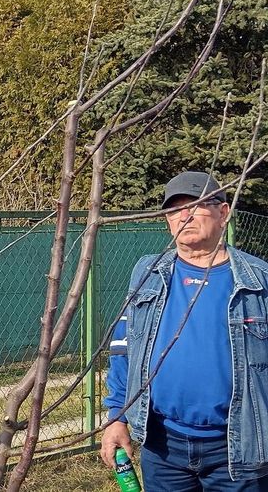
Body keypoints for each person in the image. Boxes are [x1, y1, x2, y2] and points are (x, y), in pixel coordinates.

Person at [102, 171, 268, 490]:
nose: (184, 215)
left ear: (224, 212)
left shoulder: (257, 281)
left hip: (238, 449)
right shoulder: (148, 273)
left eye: (197, 205)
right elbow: (124, 350)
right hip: (163, 447)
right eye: (175, 209)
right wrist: (117, 416)